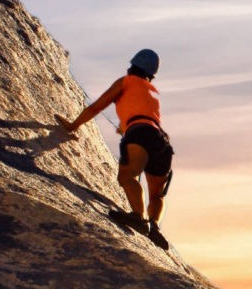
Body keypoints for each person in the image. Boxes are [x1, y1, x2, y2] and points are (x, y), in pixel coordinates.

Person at [57, 48, 173, 250]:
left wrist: (72, 126)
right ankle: (154, 227)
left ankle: (138, 217)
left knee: (127, 177)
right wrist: (127, 127)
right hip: (162, 141)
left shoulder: (125, 82)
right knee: (157, 195)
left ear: (132, 66)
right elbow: (144, 116)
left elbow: (96, 108)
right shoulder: (153, 92)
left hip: (140, 133)